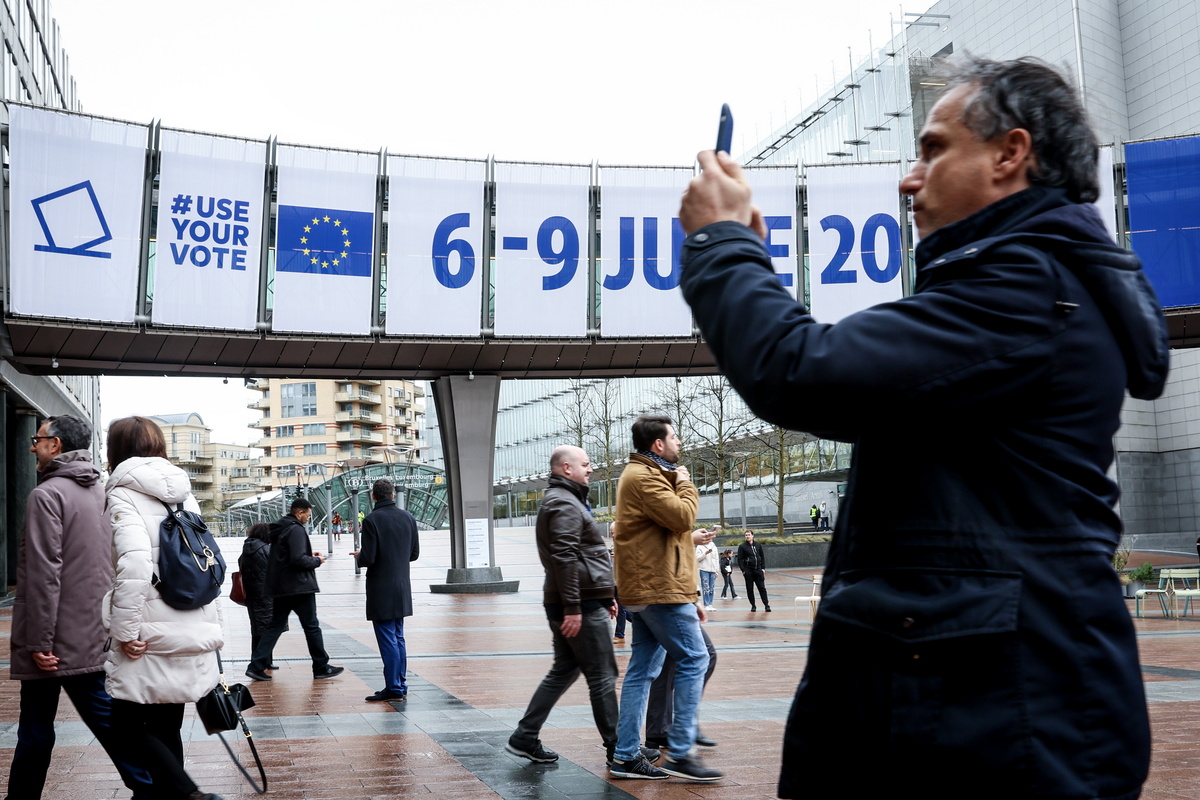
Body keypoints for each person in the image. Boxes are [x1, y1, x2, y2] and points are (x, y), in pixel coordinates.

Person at [677, 56, 1166, 800]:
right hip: (982, 715)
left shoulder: (1023, 289)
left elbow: (798, 370)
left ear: (1011, 153)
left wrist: (721, 244)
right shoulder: (1023, 284)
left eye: (934, 148)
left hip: (998, 729)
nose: (910, 178)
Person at [7, 415, 152, 800]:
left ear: (54, 445)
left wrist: (38, 640)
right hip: (89, 628)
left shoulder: (46, 495)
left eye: (36, 439)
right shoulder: (100, 492)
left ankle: (154, 788)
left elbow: (42, 572)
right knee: (81, 721)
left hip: (53, 637)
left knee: (46, 728)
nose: (32, 445)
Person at [103, 415, 224, 800]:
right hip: (191, 617)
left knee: (124, 725)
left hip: (150, 628)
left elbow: (136, 564)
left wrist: (124, 633)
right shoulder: (183, 492)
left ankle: (189, 794)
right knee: (166, 723)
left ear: (116, 449)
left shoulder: (122, 492)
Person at [505, 446, 645, 767]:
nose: (591, 469)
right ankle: (621, 752)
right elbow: (565, 557)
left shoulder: (568, 500)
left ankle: (525, 737)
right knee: (602, 675)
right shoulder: (564, 503)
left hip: (579, 599)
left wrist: (606, 593)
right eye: (585, 464)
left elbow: (585, 555)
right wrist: (574, 607)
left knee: (564, 670)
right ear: (566, 468)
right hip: (577, 603)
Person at [609, 415, 722, 782]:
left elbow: (667, 537)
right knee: (695, 658)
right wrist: (687, 484)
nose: (679, 443)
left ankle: (626, 756)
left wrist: (693, 596)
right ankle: (682, 749)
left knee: (642, 672)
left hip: (652, 587)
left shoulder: (648, 474)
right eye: (674, 437)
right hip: (658, 589)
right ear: (658, 444)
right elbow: (683, 517)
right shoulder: (644, 477)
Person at [245, 497, 345, 682]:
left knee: (274, 626)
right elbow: (298, 560)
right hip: (299, 587)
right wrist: (317, 560)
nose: (308, 518)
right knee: (312, 627)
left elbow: (288, 555)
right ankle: (321, 666)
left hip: (282, 587)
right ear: (299, 513)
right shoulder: (295, 529)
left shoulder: (281, 528)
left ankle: (256, 666)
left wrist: (308, 555)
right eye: (307, 515)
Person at [352, 478, 420, 702]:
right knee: (398, 637)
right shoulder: (408, 517)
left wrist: (360, 556)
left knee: (388, 638)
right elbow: (414, 554)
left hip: (381, 588)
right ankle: (400, 683)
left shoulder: (372, 520)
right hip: (402, 586)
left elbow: (369, 557)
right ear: (392, 494)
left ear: (373, 496)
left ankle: (393, 687)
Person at [238, 522, 281, 672]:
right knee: (268, 629)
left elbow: (240, 565)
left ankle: (263, 660)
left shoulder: (247, 548)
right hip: (266, 594)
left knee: (257, 629)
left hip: (252, 594)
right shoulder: (265, 549)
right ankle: (262, 662)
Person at [736, 531, 770, 612]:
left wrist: (763, 568)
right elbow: (740, 559)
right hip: (748, 571)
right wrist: (743, 570)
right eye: (746, 535)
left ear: (752, 536)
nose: (747, 536)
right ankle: (753, 605)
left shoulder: (758, 545)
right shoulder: (742, 546)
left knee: (762, 588)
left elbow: (762, 556)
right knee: (750, 589)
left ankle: (766, 605)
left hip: (758, 570)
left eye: (749, 535)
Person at [696, 529, 718, 611]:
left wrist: (716, 570)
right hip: (704, 569)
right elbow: (697, 558)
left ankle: (710, 604)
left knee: (712, 587)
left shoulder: (713, 546)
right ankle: (706, 604)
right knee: (706, 587)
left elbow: (716, 558)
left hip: (712, 570)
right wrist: (705, 553)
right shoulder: (700, 546)